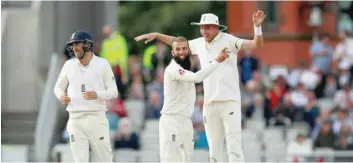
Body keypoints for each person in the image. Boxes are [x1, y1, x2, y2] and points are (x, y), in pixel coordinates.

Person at [135, 11, 266, 162]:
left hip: (230, 101)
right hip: (209, 104)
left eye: (208, 27)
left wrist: (257, 27)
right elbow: (178, 44)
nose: (204, 31)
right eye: (202, 27)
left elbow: (256, 44)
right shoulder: (199, 43)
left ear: (217, 28)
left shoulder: (229, 40)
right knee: (214, 151)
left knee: (234, 148)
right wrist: (158, 35)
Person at [159, 36, 229, 162]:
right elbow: (197, 78)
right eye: (177, 49)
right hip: (171, 121)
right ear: (172, 52)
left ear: (189, 51)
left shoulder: (185, 70)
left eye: (184, 48)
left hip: (186, 120)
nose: (181, 52)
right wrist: (217, 60)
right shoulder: (173, 69)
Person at [54, 30, 118, 162]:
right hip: (75, 119)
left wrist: (97, 94)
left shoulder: (102, 64)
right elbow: (58, 87)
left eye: (77, 44)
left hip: (96, 119)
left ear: (88, 45)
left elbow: (114, 92)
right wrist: (61, 96)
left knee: (104, 160)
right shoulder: (69, 65)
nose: (74, 48)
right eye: (72, 45)